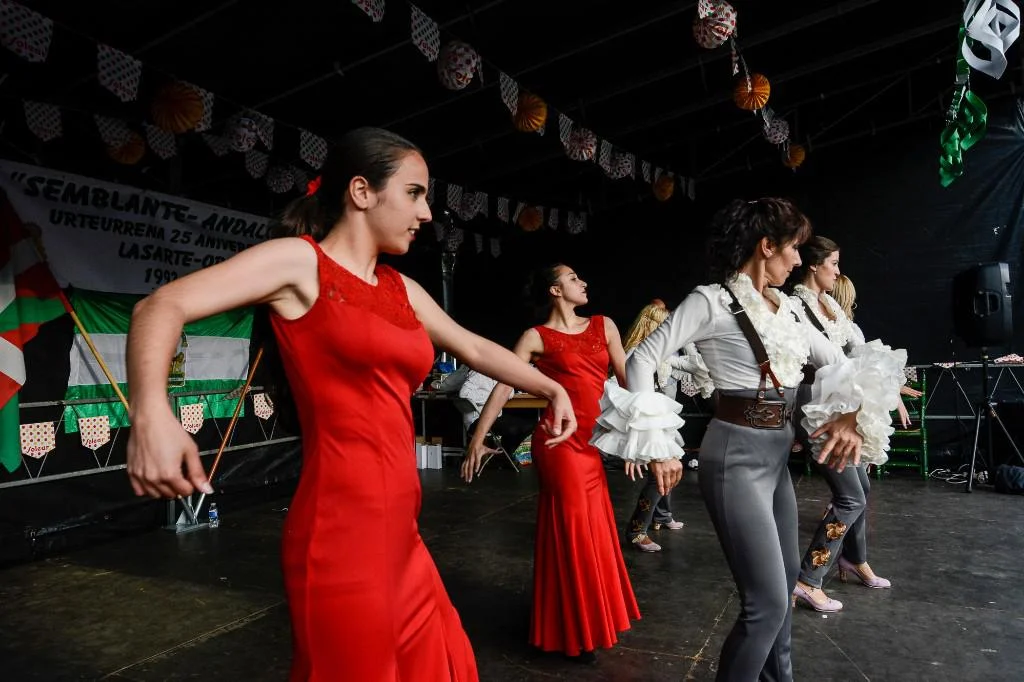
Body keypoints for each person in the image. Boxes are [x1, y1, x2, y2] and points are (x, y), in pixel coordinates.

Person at [124, 127, 579, 682]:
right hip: (340, 535)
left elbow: (476, 348)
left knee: (442, 665)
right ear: (362, 191)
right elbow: (160, 306)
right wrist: (151, 413)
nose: (427, 213)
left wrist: (553, 388)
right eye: (414, 193)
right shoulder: (300, 263)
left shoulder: (401, 289)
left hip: (402, 534)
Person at [591, 198, 906, 682]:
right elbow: (641, 360)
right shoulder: (710, 301)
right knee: (766, 606)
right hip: (734, 458)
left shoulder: (789, 309)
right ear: (767, 246)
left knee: (782, 595)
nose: (798, 260)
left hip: (775, 459)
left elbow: (842, 363)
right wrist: (658, 446)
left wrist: (852, 412)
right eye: (794, 248)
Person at [460, 264, 639, 663]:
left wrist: (641, 439)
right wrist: (477, 437)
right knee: (574, 533)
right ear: (555, 290)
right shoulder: (535, 337)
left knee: (594, 532)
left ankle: (588, 622)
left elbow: (629, 382)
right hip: (559, 445)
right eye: (574, 278)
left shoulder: (604, 325)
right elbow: (503, 385)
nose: (584, 282)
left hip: (592, 444)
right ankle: (578, 631)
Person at [787, 246, 918, 612]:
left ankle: (853, 558)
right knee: (850, 497)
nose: (837, 270)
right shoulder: (795, 307)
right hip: (814, 406)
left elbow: (860, 355)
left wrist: (891, 389)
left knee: (861, 487)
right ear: (814, 265)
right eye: (833, 263)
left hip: (841, 405)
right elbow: (824, 361)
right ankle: (807, 579)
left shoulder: (831, 308)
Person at [620, 300, 702, 552]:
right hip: (646, 426)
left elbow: (697, 366)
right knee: (657, 477)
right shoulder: (635, 354)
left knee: (669, 471)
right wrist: (634, 438)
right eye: (666, 325)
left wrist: (688, 340)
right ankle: (636, 531)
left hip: (665, 426)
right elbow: (621, 393)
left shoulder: (665, 356)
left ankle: (662, 516)